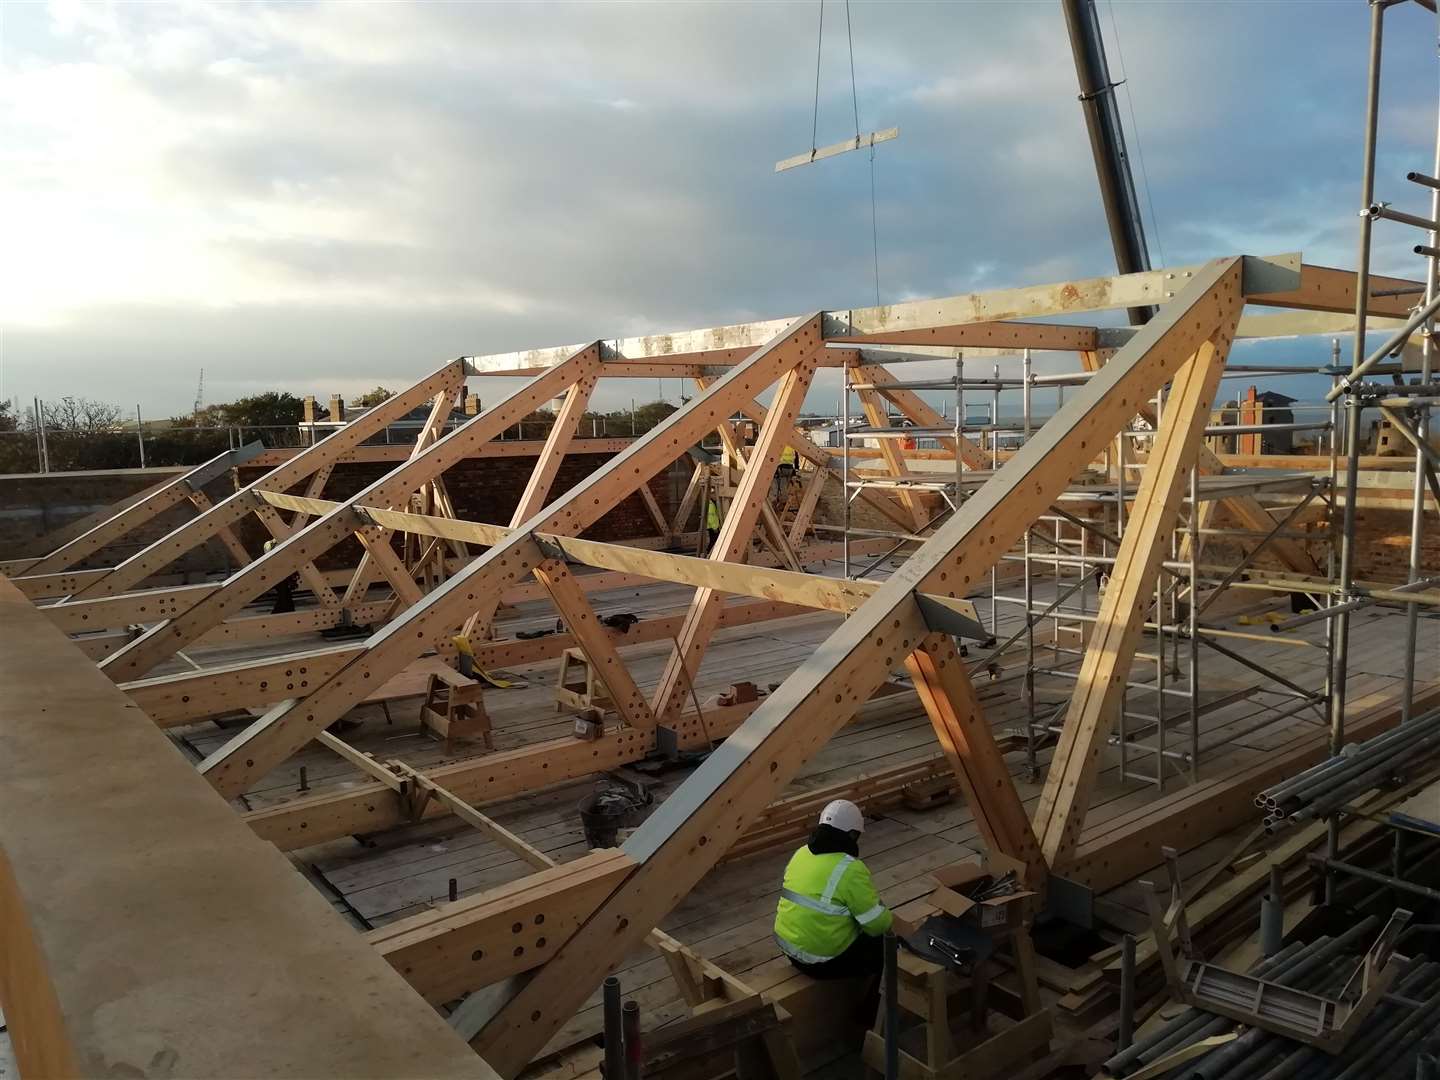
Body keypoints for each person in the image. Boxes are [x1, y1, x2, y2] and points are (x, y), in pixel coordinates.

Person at [773, 799, 906, 979]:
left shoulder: (801, 853)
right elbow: (877, 925)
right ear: (852, 835)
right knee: (883, 944)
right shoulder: (849, 868)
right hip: (822, 962)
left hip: (788, 949)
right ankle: (874, 1002)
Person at [262, 538, 299, 614]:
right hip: (279, 574)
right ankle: (281, 612)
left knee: (285, 595)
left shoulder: (269, 544)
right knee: (284, 595)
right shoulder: (276, 544)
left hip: (279, 574)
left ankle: (285, 611)